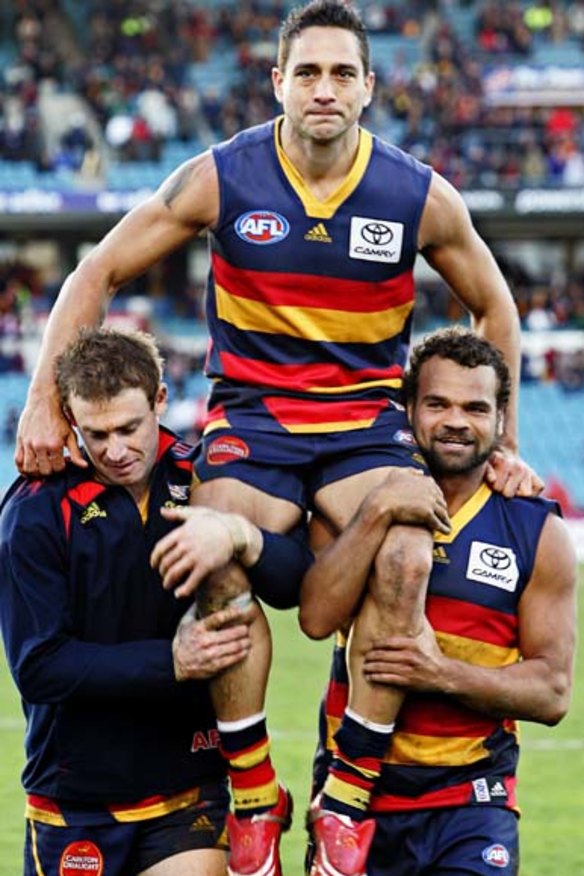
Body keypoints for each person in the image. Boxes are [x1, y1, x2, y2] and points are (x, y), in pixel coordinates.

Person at [15, 2, 542, 873]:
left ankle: (347, 795)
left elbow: (497, 304)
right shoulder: (224, 177)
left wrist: (505, 441)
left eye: (342, 73)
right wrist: (43, 399)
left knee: (409, 554)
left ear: (369, 88)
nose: (324, 88)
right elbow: (96, 269)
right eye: (307, 72)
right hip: (255, 417)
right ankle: (255, 790)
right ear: (278, 84)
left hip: (365, 421)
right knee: (205, 548)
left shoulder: (417, 193)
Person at [0, 327, 314, 876]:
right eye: (96, 434)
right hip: (75, 800)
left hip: (190, 789)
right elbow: (39, 667)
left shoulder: (204, 479)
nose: (116, 451)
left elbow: (296, 586)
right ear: (71, 422)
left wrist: (242, 535)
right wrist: (171, 661)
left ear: (160, 400)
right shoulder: (35, 511)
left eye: (129, 427)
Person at [300, 327, 577, 876]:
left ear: (501, 419)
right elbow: (315, 618)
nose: (455, 421)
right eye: (437, 404)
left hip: (469, 801)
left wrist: (440, 673)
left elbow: (552, 692)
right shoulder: (351, 500)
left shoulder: (536, 532)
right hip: (351, 803)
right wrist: (377, 511)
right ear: (408, 409)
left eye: (475, 407)